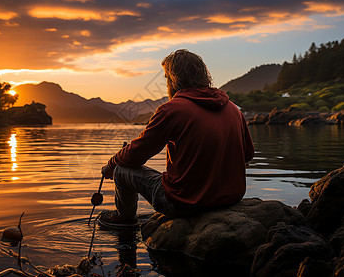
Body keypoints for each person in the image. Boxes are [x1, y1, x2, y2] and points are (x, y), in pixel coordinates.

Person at [98, 49, 254, 229]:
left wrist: (111, 164)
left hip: (183, 203)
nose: (166, 85)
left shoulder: (171, 110)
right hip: (230, 199)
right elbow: (247, 155)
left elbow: (136, 155)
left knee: (121, 169)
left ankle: (124, 219)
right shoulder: (234, 110)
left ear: (173, 79)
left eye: (166, 78)